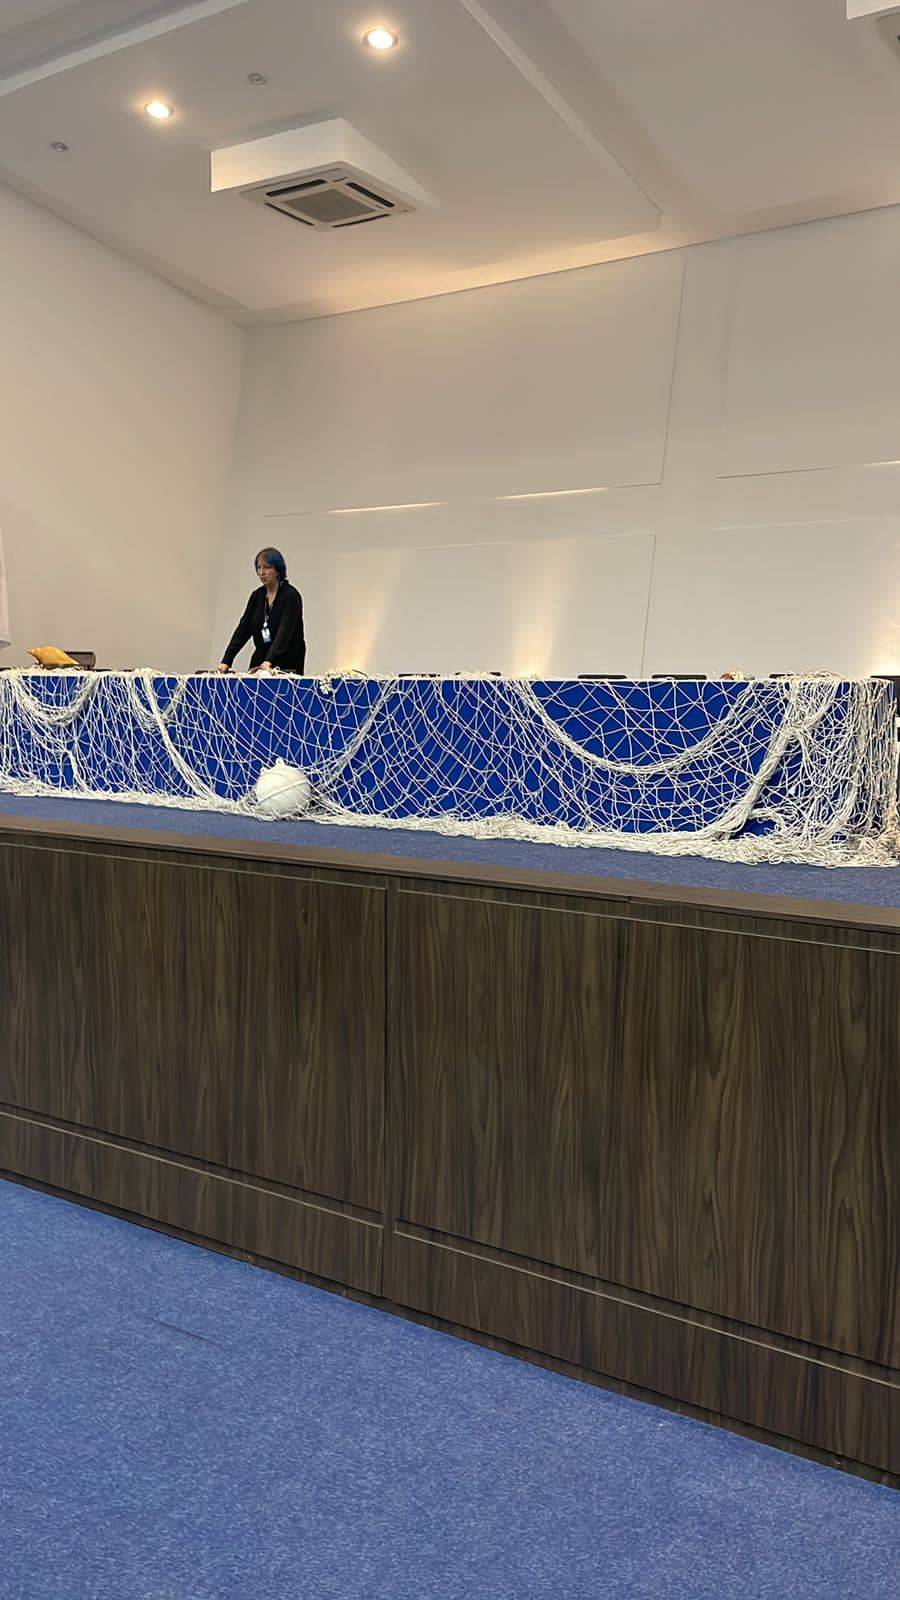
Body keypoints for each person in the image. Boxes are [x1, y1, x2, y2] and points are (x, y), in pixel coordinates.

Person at [218, 548, 306, 675]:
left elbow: (284, 633)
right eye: (259, 568)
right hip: (260, 660)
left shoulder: (290, 596)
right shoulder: (257, 596)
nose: (262, 572)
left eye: (267, 567)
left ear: (278, 570)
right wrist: (226, 660)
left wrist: (269, 661)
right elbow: (243, 630)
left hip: (286, 663)